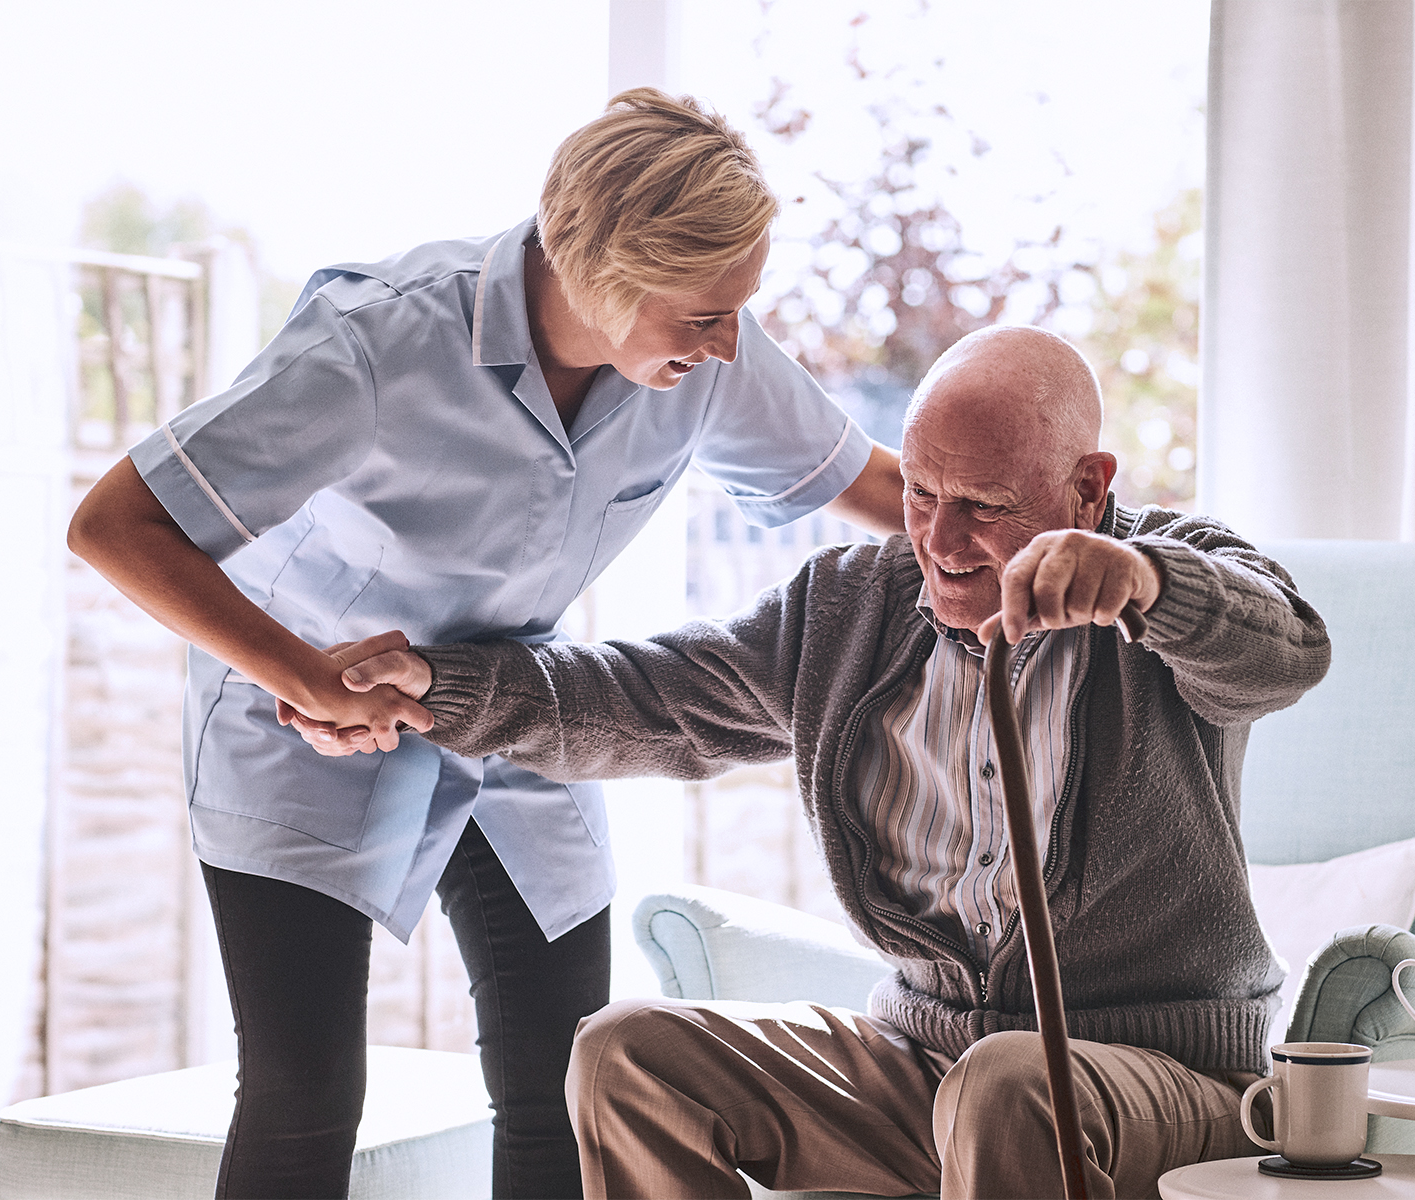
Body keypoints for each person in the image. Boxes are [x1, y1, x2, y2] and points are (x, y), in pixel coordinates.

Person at [66, 89, 907, 1200]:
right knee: (304, 1091)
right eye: (700, 317)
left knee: (567, 1081)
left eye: (735, 313)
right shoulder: (382, 343)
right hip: (305, 721)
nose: (725, 346)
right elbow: (116, 524)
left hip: (515, 709)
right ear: (600, 270)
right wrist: (302, 674)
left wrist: (1069, 538)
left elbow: (890, 491)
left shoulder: (709, 355)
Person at [314, 325, 1333, 1199]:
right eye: (922, 492)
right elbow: (647, 698)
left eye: (984, 505)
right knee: (628, 1053)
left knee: (1008, 1084)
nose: (941, 538)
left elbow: (1285, 651)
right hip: (927, 1063)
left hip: (1164, 1078)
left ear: (1087, 485)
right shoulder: (851, 611)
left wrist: (1143, 584)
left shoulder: (1165, 573)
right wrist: (432, 686)